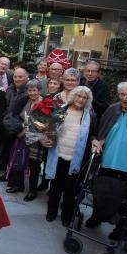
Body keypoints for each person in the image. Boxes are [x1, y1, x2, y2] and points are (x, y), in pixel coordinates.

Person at [87, 82, 127, 240]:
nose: (125, 98)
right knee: (101, 193)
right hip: (108, 162)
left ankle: (121, 227)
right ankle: (96, 217)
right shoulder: (112, 109)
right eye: (122, 94)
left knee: (126, 200)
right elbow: (101, 132)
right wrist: (97, 141)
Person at [43, 86, 97, 226]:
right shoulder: (61, 110)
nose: (80, 99)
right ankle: (51, 212)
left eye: (84, 97)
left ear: (87, 100)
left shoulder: (90, 116)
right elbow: (50, 129)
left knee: (70, 190)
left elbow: (92, 135)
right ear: (73, 96)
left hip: (75, 159)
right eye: (78, 96)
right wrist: (46, 138)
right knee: (55, 187)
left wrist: (95, 140)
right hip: (58, 156)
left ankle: (66, 216)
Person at [6, 80, 47, 202]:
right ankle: (19, 185)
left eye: (35, 90)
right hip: (22, 137)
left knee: (33, 167)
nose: (32, 92)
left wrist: (22, 132)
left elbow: (42, 123)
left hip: (36, 139)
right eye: (30, 90)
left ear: (39, 91)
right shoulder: (28, 101)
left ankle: (32, 191)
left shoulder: (44, 103)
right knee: (19, 161)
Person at [0, 68, 29, 182]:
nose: (17, 79)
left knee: (16, 154)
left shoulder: (29, 92)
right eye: (15, 76)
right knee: (5, 151)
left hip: (19, 128)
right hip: (7, 125)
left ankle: (12, 177)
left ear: (26, 78)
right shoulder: (10, 89)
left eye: (20, 77)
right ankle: (6, 172)